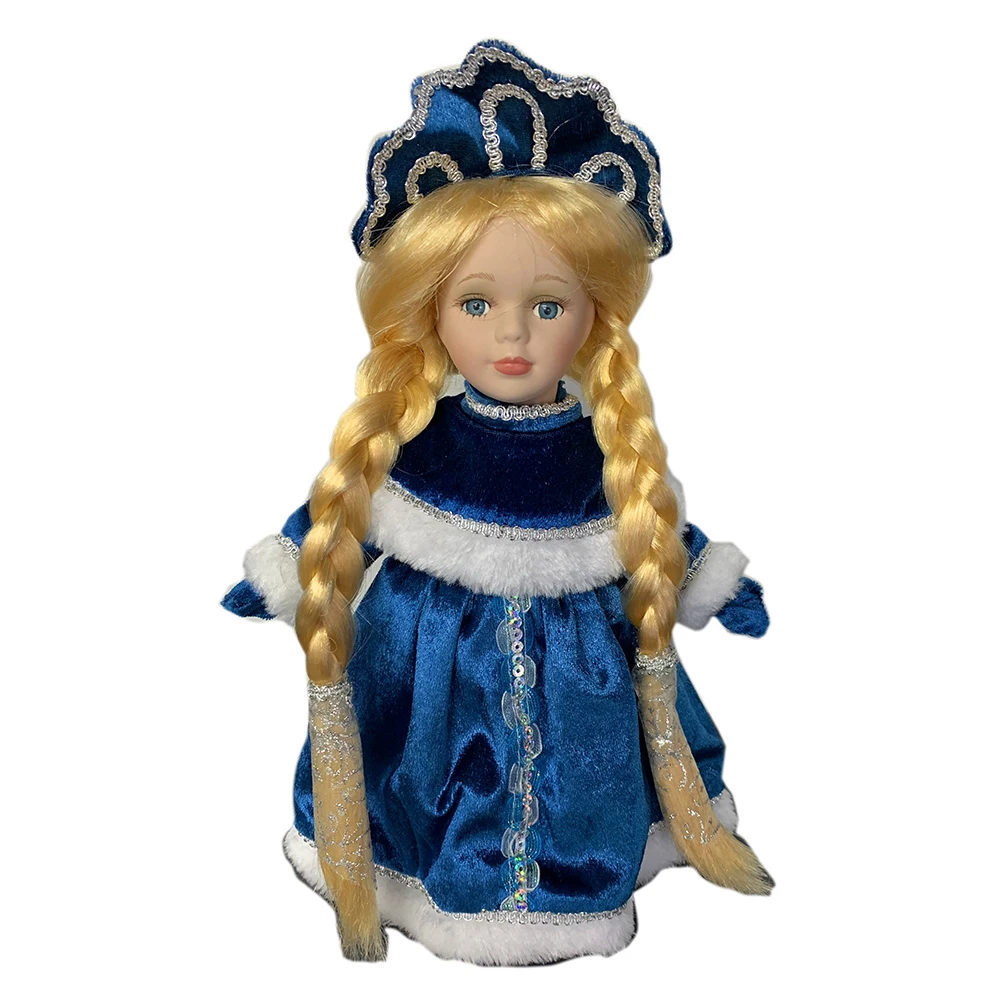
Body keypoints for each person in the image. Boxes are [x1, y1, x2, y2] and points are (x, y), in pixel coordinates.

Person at [221, 40, 772, 966]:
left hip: (583, 681)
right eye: (476, 304)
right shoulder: (411, 441)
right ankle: (426, 875)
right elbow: (340, 511)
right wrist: (287, 566)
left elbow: (656, 527)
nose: (512, 334)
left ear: (593, 315)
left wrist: (706, 579)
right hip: (427, 673)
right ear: (431, 311)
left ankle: (571, 883)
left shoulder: (607, 451)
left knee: (582, 782)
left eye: (548, 306)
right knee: (422, 775)